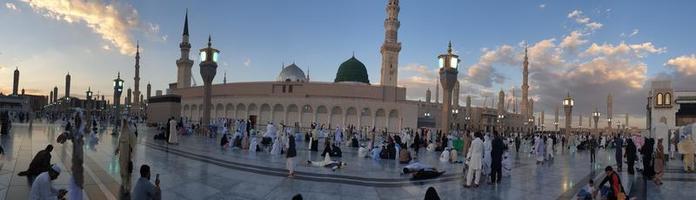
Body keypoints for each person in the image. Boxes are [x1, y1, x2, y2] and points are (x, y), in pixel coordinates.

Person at [116, 119, 137, 195]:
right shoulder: (121, 132)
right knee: (122, 169)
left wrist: (130, 150)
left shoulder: (129, 132)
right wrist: (117, 149)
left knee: (127, 170)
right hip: (122, 156)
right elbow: (119, 141)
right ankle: (123, 182)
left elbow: (133, 142)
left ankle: (127, 187)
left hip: (127, 155)